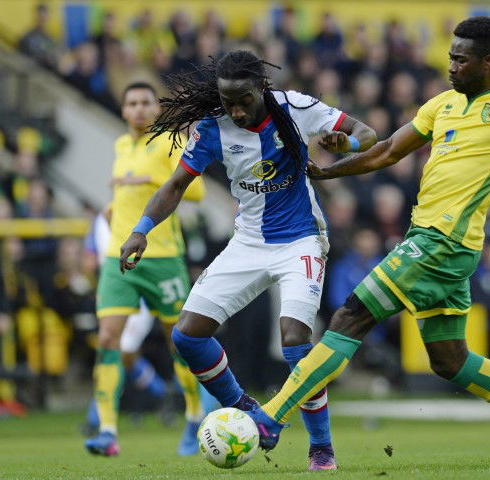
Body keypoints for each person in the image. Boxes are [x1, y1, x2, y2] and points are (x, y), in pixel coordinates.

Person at [242, 17, 490, 464]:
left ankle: (271, 417)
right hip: (435, 242)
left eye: (460, 58)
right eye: (450, 55)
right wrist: (328, 170)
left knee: (349, 317)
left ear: (488, 61)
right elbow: (389, 150)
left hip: (444, 243)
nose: (450, 65)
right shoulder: (442, 105)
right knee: (449, 361)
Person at [118, 50, 377, 470]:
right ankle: (245, 408)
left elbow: (367, 134)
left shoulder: (296, 107)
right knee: (186, 336)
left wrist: (343, 143)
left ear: (262, 88)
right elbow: (176, 184)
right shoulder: (213, 128)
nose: (235, 111)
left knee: (295, 341)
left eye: (243, 100)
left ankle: (321, 448)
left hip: (302, 242)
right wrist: (141, 229)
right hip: (249, 243)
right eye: (227, 101)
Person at [84, 82, 206, 457]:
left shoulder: (169, 143)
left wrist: (147, 181)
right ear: (123, 111)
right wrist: (113, 206)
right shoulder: (122, 146)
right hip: (117, 260)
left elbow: (196, 192)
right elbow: (126, 193)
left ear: (156, 109)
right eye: (131, 103)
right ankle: (107, 430)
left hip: (162, 258)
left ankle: (194, 415)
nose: (138, 109)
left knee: (180, 342)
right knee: (107, 339)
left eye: (145, 103)